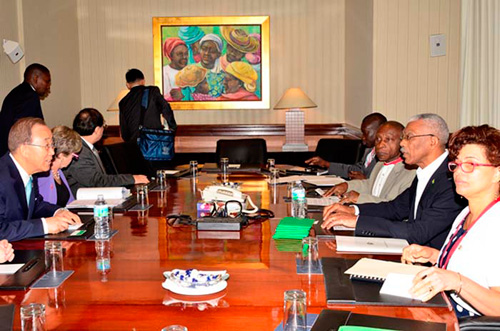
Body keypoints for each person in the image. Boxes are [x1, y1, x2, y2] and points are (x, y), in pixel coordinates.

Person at [322, 113, 465, 249]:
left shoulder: (451, 179)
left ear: (432, 141)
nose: (402, 143)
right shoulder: (425, 172)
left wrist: (358, 222)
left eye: (409, 137)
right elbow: (395, 208)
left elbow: (418, 232)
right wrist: (352, 210)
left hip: (433, 264)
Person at [402, 125, 500, 317]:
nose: (458, 172)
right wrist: (434, 256)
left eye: (470, 165)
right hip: (443, 308)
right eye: (456, 164)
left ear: (497, 173)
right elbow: (475, 267)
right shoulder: (466, 213)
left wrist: (457, 282)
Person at [0, 118, 81, 241]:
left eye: (52, 146)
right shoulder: (2, 177)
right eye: (47, 146)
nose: (52, 152)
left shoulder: (29, 173)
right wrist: (44, 226)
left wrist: (58, 212)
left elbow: (35, 205)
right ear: (24, 149)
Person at [324, 121, 416, 204]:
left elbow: (393, 207)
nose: (380, 145)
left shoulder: (409, 172)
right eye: (378, 139)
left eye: (388, 140)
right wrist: (346, 186)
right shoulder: (379, 164)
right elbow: (370, 185)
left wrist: (359, 198)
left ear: (402, 142)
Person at [64, 108, 149, 196]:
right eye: (103, 126)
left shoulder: (85, 147)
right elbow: (97, 181)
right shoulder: (79, 150)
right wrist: (133, 179)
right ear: (97, 130)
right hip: (83, 201)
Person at [306, 113, 387, 179]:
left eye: (366, 133)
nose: (363, 137)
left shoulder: (386, 156)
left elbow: (383, 186)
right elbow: (356, 170)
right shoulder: (369, 150)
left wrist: (364, 181)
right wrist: (325, 164)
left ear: (380, 130)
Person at [0, 63, 51, 156]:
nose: (48, 86)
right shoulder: (30, 96)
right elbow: (24, 131)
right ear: (35, 78)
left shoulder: (16, 92)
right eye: (47, 81)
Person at [119, 69, 177, 143]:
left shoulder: (123, 102)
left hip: (134, 146)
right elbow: (166, 108)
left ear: (127, 84)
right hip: (153, 142)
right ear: (143, 81)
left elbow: (124, 132)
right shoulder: (153, 91)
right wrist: (172, 127)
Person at [36, 126, 82, 206]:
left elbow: (71, 203)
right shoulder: (43, 176)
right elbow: (44, 208)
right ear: (61, 155)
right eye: (73, 155)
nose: (73, 159)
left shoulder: (58, 172)